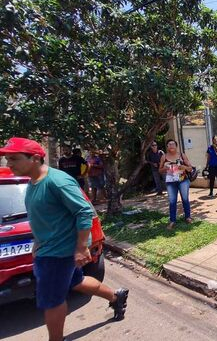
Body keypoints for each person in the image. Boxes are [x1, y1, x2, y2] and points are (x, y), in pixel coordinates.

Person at [0, 137, 129, 341]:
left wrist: (81, 247)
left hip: (58, 253)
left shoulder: (57, 181)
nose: (9, 164)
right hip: (47, 249)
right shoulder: (33, 182)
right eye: (7, 159)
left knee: (52, 300)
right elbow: (42, 217)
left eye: (14, 159)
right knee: (76, 281)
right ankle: (116, 295)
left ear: (34, 158)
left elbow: (85, 212)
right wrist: (37, 242)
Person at [159, 139, 193, 230]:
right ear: (167, 146)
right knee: (172, 201)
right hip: (170, 181)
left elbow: (190, 168)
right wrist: (165, 168)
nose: (171, 145)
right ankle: (172, 220)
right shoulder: (164, 157)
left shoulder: (182, 155)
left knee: (185, 199)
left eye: (173, 144)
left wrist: (184, 167)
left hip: (183, 180)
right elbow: (159, 170)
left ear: (176, 146)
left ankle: (188, 217)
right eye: (169, 144)